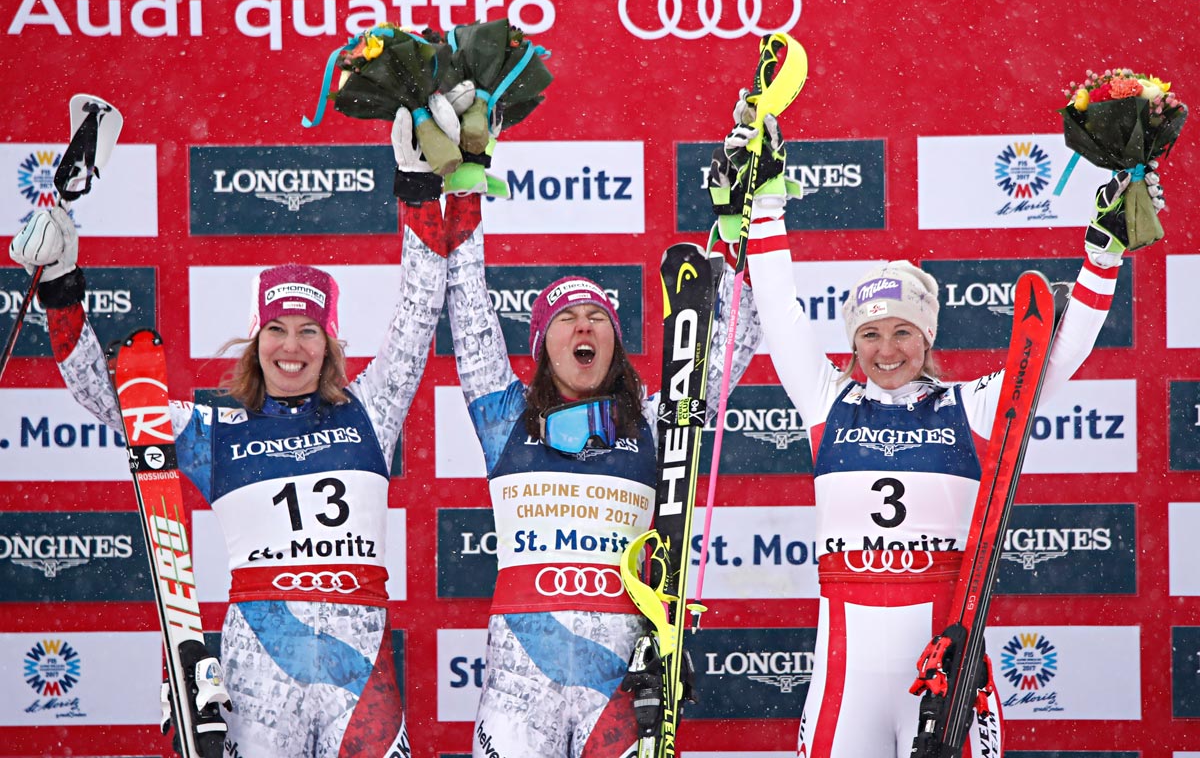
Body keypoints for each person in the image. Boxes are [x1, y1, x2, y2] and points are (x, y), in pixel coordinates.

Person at [719, 100, 1145, 757]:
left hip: (948, 673)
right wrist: (768, 202)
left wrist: (1104, 255)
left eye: (902, 334)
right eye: (870, 335)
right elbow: (779, 308)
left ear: (928, 337)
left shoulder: (969, 407)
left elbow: (1052, 360)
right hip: (844, 684)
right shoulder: (826, 400)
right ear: (852, 343)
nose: (886, 351)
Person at [8, 181, 456, 756]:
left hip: (360, 670)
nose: (290, 346)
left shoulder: (373, 407)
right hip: (260, 669)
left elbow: (418, 314)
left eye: (308, 330)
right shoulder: (214, 428)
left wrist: (417, 187)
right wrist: (61, 289)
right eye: (276, 329)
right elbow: (104, 394)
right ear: (255, 338)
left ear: (330, 342)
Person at [389, 106, 762, 756]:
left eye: (597, 317)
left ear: (615, 345)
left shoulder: (654, 421)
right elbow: (468, 305)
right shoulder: (507, 417)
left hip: (619, 684)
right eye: (567, 318)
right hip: (517, 694)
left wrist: (737, 223)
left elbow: (732, 337)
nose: (584, 326)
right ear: (541, 343)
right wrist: (465, 184)